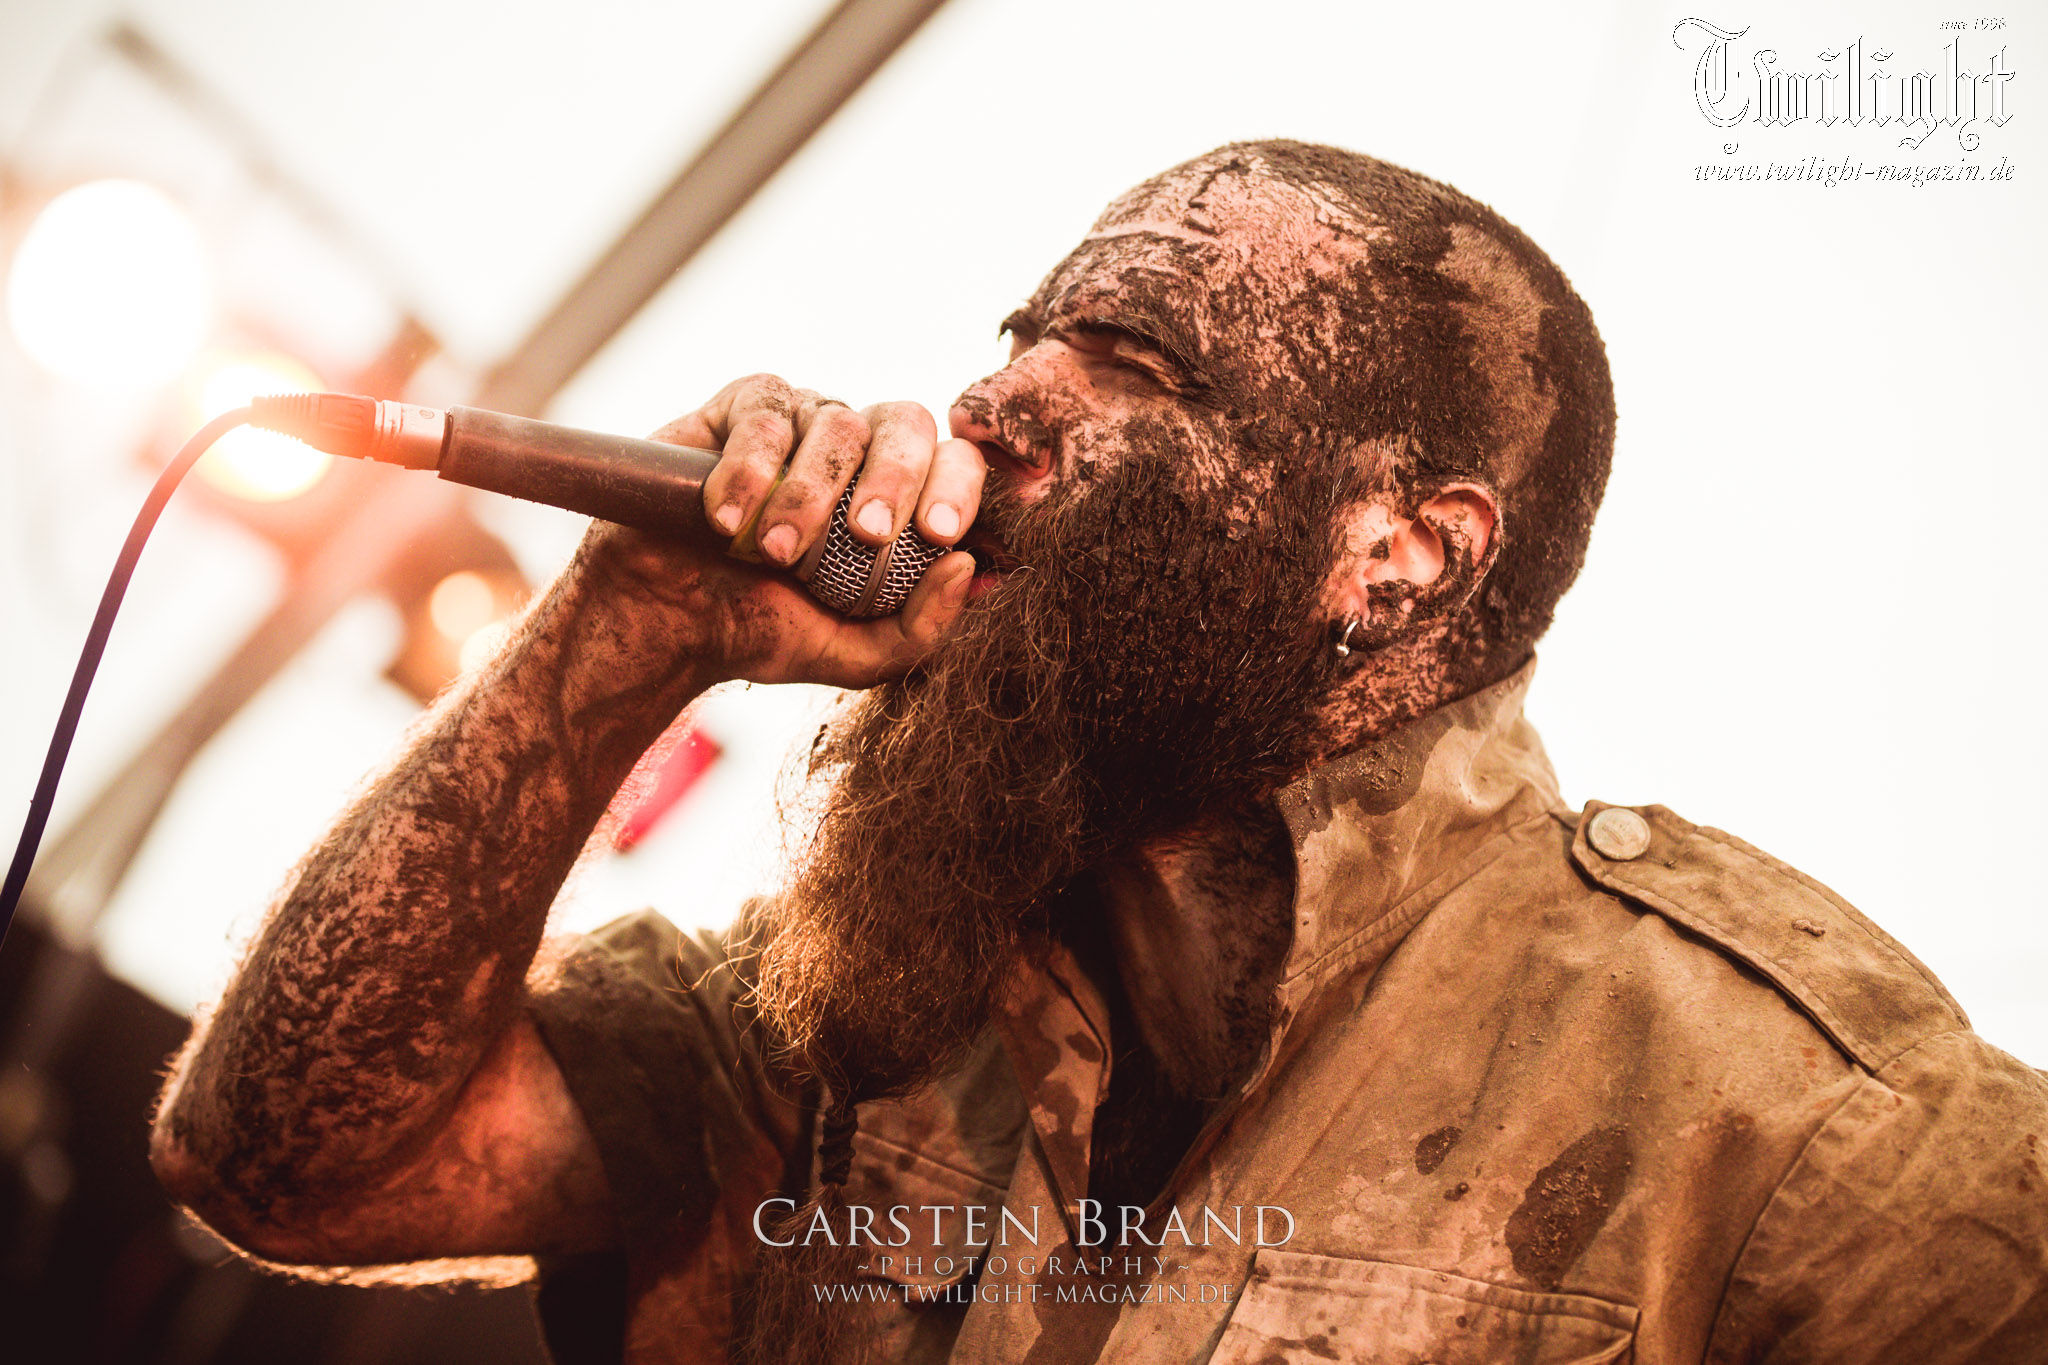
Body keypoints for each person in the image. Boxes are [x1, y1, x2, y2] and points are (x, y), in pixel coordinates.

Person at [148, 141, 2048, 1363]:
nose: (989, 398)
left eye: (1130, 358)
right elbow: (284, 1162)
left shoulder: (1794, 1118)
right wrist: (619, 627)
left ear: (1401, 553)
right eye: (1020, 334)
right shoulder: (842, 1021)